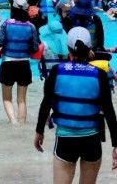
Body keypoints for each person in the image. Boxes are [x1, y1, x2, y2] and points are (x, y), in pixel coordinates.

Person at [35, 27, 117, 184]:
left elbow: (46, 103)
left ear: (68, 49)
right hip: (92, 141)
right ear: (89, 50)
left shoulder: (57, 71)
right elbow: (109, 110)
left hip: (66, 140)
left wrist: (39, 132)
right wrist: (116, 144)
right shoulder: (99, 74)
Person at [0, 0, 40, 124]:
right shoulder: (31, 26)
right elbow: (35, 47)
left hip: (7, 63)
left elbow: (0, 42)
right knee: (22, 100)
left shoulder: (6, 24)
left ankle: (13, 122)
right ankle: (22, 124)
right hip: (24, 64)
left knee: (6, 99)